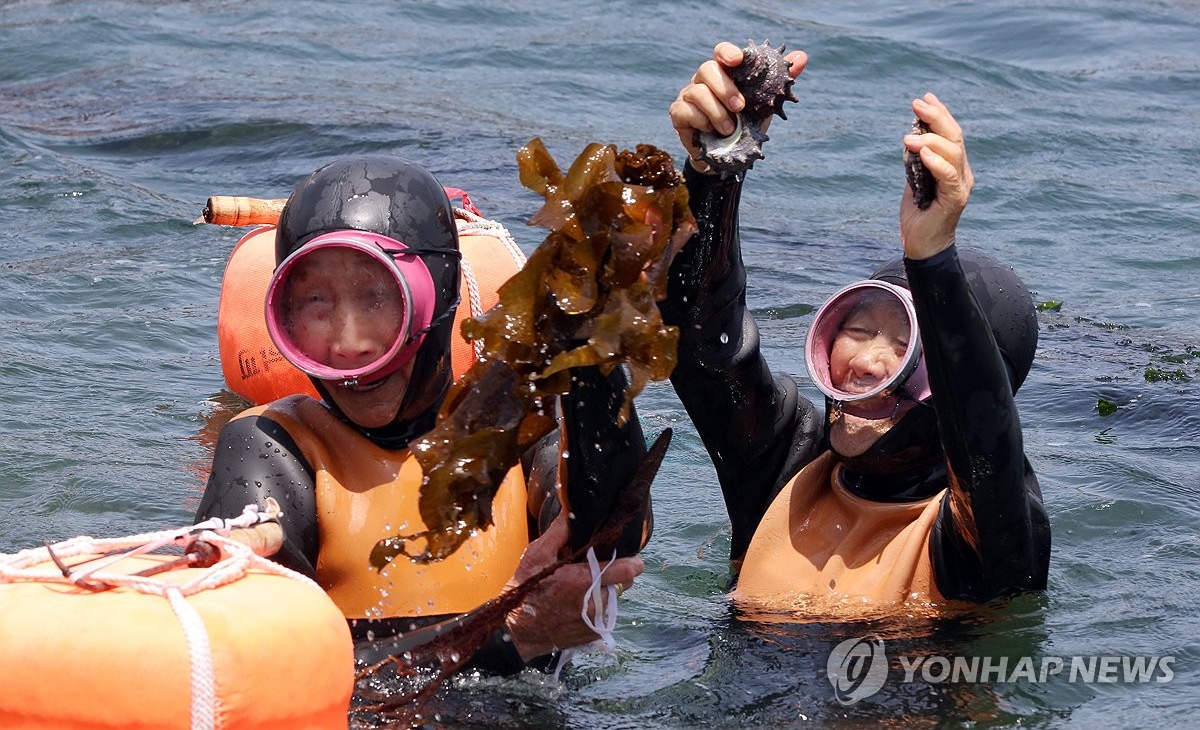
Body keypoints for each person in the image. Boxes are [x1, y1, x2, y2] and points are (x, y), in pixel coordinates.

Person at [195, 155, 649, 670]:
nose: (350, 342)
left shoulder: (515, 430)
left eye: (378, 298)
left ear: (442, 296)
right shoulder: (271, 447)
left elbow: (610, 533)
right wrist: (511, 634)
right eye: (316, 303)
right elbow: (255, 662)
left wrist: (594, 361)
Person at [661, 42, 1050, 614]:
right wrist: (714, 166)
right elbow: (701, 341)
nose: (867, 362)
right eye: (859, 327)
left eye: (906, 348)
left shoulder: (985, 539)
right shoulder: (786, 468)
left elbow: (985, 435)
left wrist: (933, 256)